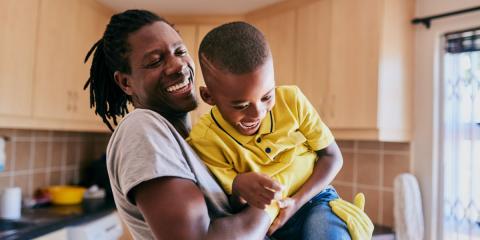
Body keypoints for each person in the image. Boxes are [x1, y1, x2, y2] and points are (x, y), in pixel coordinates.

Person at [84, 9, 373, 240]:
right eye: (155, 60)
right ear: (125, 81)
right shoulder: (142, 129)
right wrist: (275, 198)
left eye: (179, 51)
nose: (176, 65)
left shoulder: (190, 139)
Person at [187, 21, 358, 239]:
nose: (257, 113)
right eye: (240, 106)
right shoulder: (204, 139)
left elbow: (332, 157)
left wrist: (295, 203)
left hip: (314, 200)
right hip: (265, 221)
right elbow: (225, 205)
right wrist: (238, 187)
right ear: (208, 97)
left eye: (267, 96)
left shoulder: (292, 100)